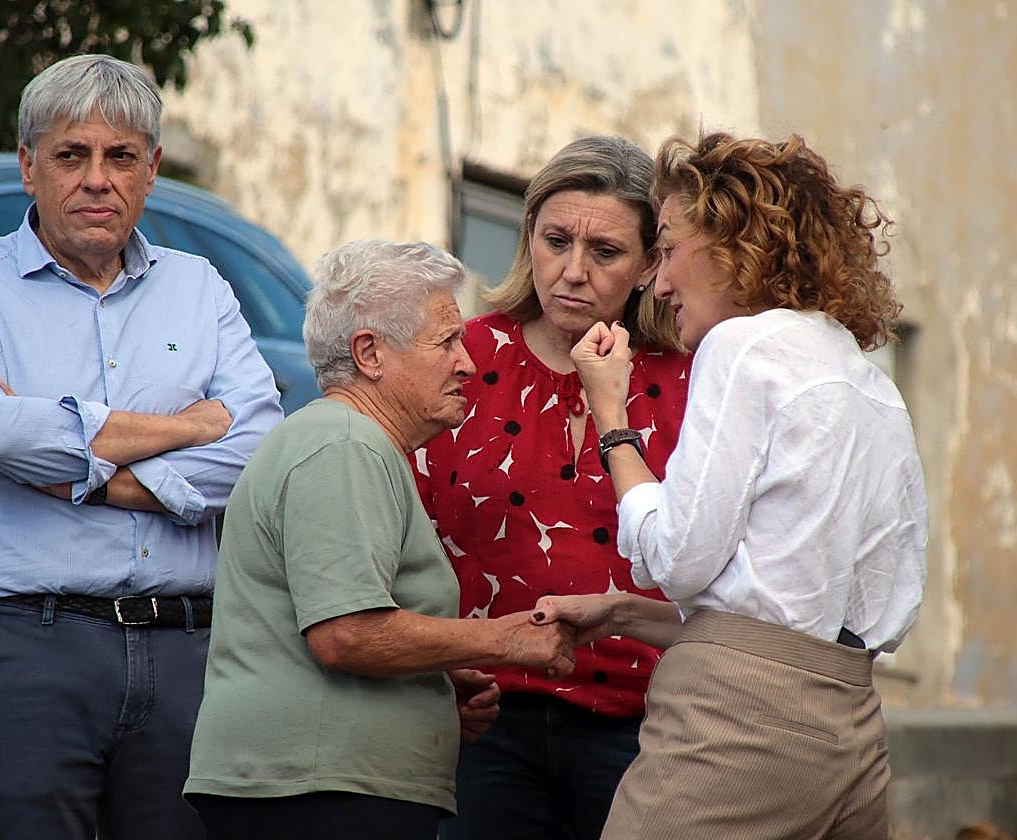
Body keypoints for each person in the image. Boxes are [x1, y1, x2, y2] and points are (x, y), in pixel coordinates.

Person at [0, 54, 282, 839]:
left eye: (120, 158)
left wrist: (89, 474)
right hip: (28, 648)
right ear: (27, 166)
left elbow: (259, 448)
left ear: (151, 171)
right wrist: (190, 424)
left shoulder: (201, 286)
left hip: (190, 651)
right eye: (71, 155)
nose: (96, 180)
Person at [536, 131, 928, 838]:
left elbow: (677, 558)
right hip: (853, 725)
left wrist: (612, 416)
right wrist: (625, 613)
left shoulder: (742, 346)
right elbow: (827, 613)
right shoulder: (873, 386)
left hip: (734, 726)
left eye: (667, 248)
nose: (657, 283)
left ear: (733, 242)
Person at [184, 239, 578, 840]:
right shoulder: (344, 444)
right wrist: (502, 639)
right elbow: (346, 633)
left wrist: (435, 679)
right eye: (446, 341)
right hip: (318, 793)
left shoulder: (351, 444)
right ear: (370, 352)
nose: (468, 363)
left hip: (325, 786)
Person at [412, 136, 690, 840]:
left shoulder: (691, 382)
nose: (572, 272)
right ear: (526, 236)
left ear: (651, 263)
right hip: (480, 717)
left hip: (647, 728)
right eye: (555, 239)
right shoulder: (462, 359)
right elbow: (399, 532)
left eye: (604, 252)